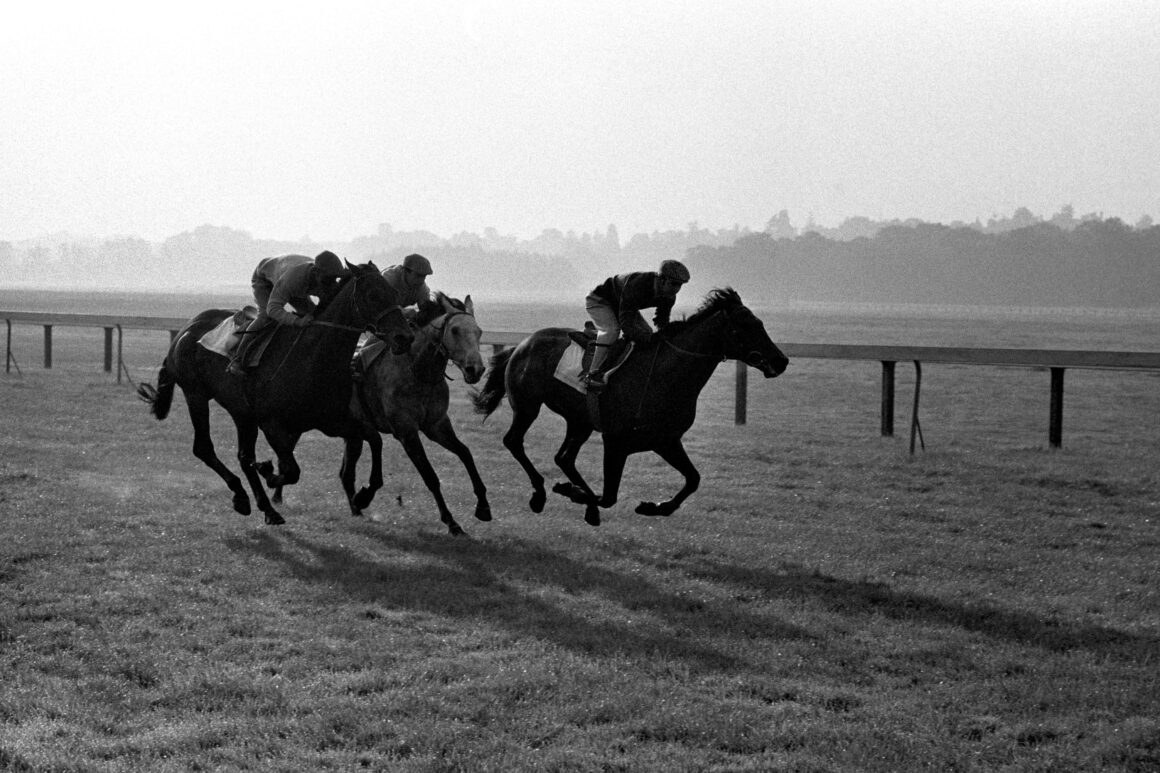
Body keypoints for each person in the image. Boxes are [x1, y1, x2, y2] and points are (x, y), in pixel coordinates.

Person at [225, 250, 349, 376]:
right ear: (316, 273)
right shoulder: (295, 280)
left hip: (291, 280)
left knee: (313, 319)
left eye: (335, 278)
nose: (332, 283)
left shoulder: (324, 277)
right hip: (264, 279)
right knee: (266, 317)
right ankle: (237, 359)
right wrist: (297, 321)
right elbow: (273, 309)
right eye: (329, 279)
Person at [583, 259, 690, 387]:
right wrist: (647, 338)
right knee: (612, 331)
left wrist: (666, 336)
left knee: (647, 332)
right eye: (674, 284)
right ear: (662, 279)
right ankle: (592, 374)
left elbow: (661, 321)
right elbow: (626, 323)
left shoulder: (669, 296)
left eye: (680, 285)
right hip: (599, 300)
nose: (676, 289)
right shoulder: (638, 285)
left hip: (622, 304)